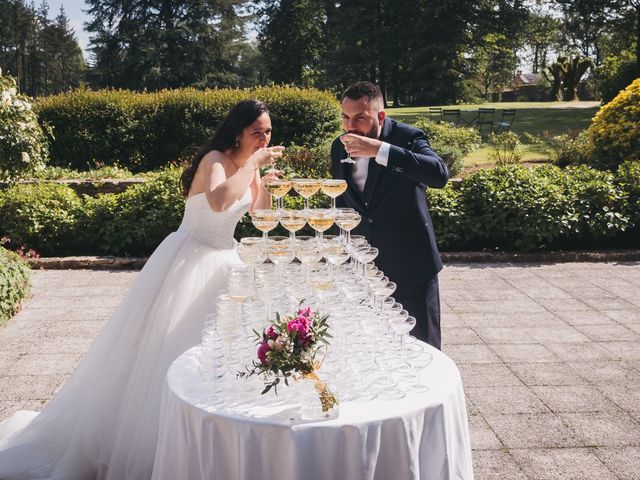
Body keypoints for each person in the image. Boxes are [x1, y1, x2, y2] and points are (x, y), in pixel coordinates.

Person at [0, 99, 284, 479]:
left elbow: (258, 215)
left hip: (227, 261)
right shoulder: (216, 158)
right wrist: (253, 164)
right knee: (170, 351)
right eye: (257, 131)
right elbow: (217, 202)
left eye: (267, 131)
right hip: (191, 259)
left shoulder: (251, 164)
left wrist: (264, 185)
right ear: (238, 131)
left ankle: (216, 435)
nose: (264, 138)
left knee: (226, 351)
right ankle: (158, 443)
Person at [331, 81, 449, 349]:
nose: (350, 126)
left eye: (360, 118)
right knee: (372, 351)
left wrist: (379, 151)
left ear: (380, 116)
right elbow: (343, 203)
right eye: (345, 117)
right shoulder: (339, 147)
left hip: (410, 266)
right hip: (362, 269)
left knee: (422, 350)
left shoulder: (408, 137)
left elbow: (439, 174)